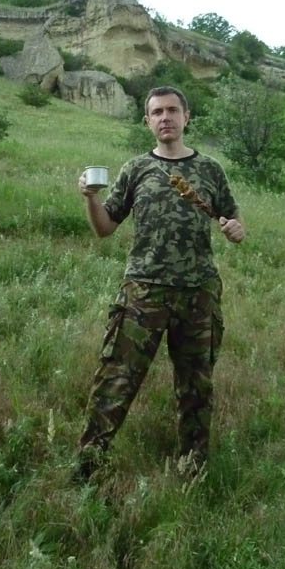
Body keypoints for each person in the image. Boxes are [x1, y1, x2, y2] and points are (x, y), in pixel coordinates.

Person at [76, 85, 245, 480]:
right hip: (143, 291)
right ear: (147, 121)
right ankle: (87, 466)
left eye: (172, 110)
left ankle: (193, 467)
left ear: (186, 117)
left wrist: (236, 229)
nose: (165, 117)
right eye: (157, 112)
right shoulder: (135, 169)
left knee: (196, 386)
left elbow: (232, 217)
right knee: (116, 380)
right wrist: (90, 198)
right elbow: (105, 228)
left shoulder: (210, 169)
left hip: (198, 293)